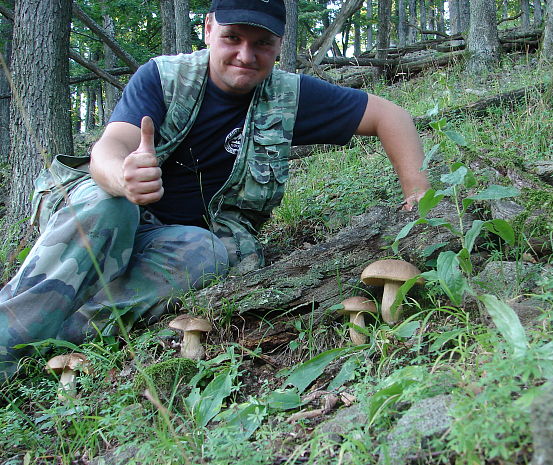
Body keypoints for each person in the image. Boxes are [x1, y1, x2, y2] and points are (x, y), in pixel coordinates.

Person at [0, 0, 430, 380]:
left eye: (262, 42)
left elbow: (391, 116)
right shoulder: (163, 77)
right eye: (232, 37)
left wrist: (418, 199)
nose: (246, 54)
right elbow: (109, 148)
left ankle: (55, 343)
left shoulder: (289, 95)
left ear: (279, 44)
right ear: (207, 29)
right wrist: (123, 175)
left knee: (208, 253)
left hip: (171, 240)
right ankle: (5, 341)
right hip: (105, 214)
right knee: (114, 207)